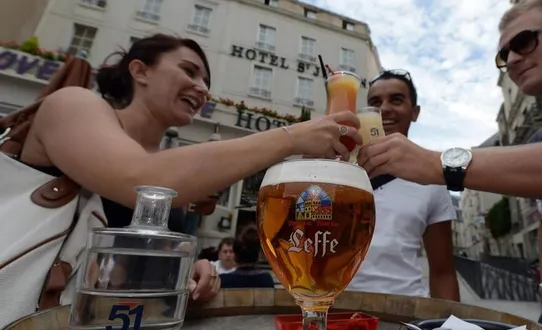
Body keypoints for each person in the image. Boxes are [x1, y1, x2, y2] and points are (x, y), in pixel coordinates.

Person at [357, 1, 542, 329]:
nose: (514, 60)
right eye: (504, 56)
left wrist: (439, 163)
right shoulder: (537, 144)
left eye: (523, 42)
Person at [15, 34, 361, 302]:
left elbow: (141, 257)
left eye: (206, 81)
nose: (202, 88)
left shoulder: (172, 162)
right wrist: (291, 137)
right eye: (189, 71)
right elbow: (140, 179)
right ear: (140, 70)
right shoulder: (73, 104)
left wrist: (191, 272)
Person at [346, 69, 460, 301]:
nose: (385, 108)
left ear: (415, 112)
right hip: (337, 314)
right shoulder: (340, 171)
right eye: (375, 102)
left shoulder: (432, 180)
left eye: (396, 100)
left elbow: (443, 272)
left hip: (406, 313)